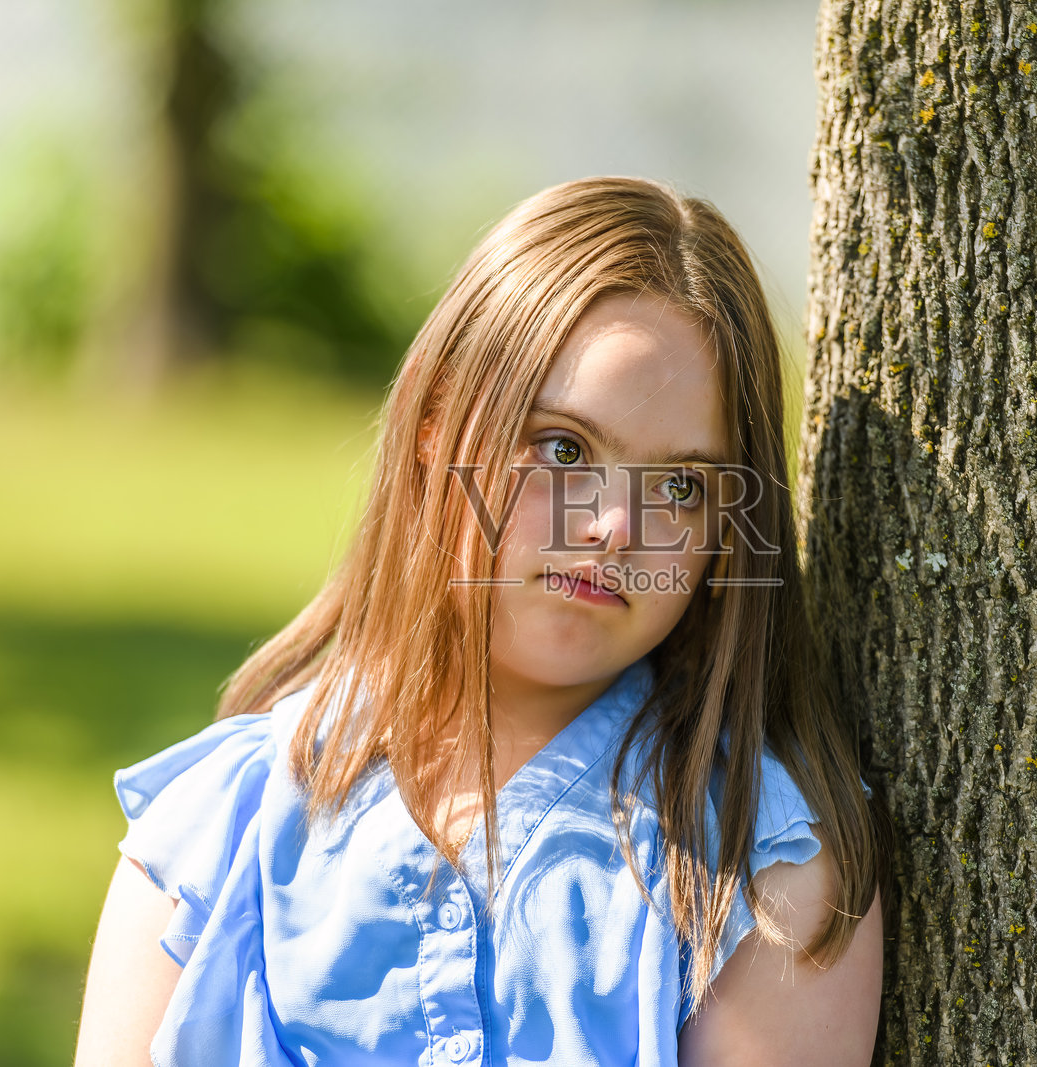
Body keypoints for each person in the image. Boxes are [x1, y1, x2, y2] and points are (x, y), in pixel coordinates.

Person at [74, 176, 886, 1066]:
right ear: (437, 426)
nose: (614, 527)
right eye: (564, 447)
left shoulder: (763, 873)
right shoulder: (214, 832)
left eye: (681, 486)